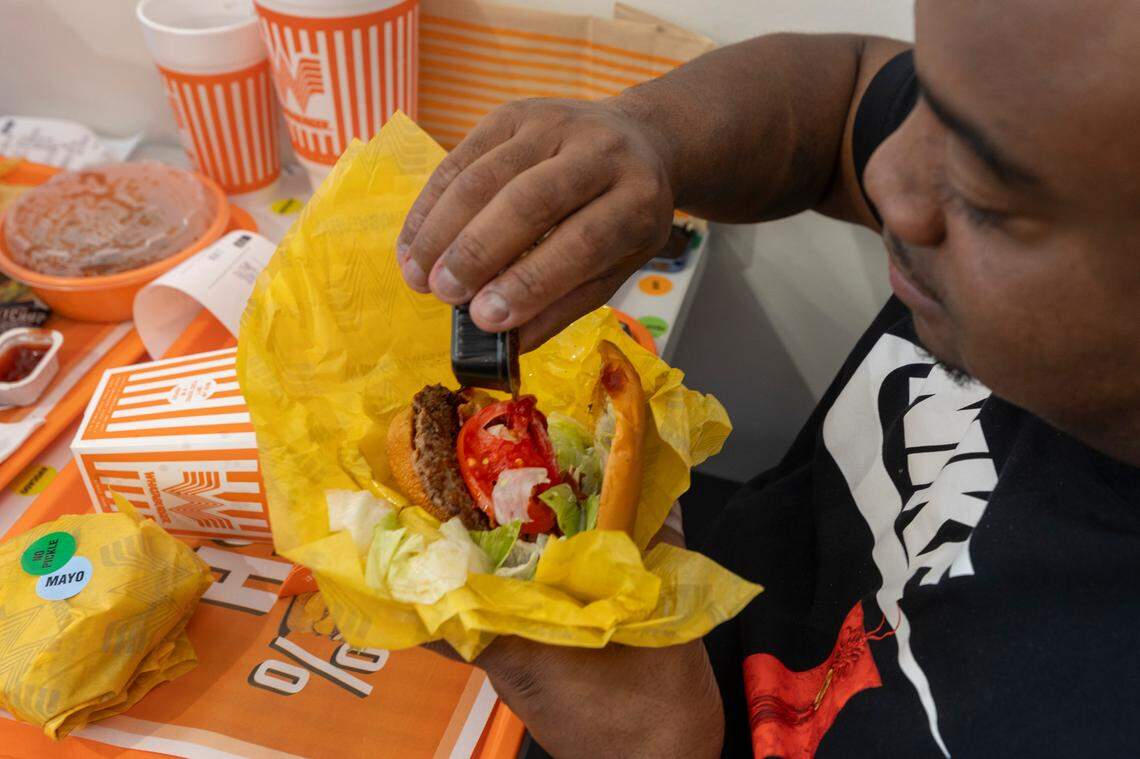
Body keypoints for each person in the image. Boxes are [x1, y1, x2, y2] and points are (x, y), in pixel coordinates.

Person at [397, 1, 1140, 756]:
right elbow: (848, 93)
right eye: (929, 102)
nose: (888, 180)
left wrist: (657, 746)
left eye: (987, 196)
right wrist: (652, 137)